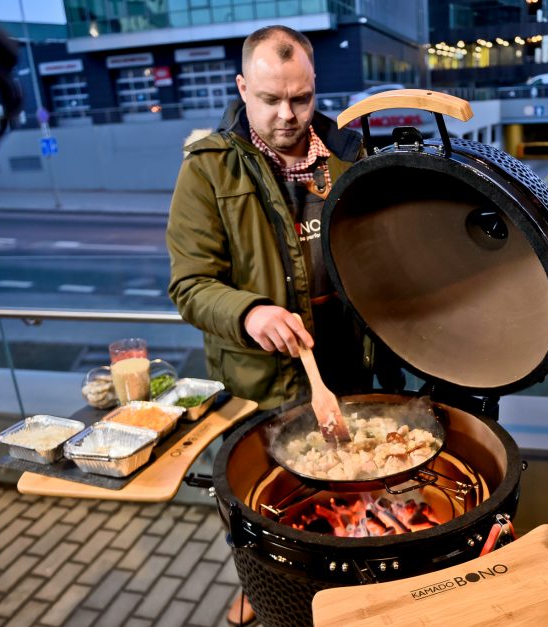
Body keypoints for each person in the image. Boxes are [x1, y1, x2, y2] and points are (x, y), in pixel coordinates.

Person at [166, 25, 395, 625]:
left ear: (315, 86)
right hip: (263, 382)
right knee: (267, 510)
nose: (287, 115)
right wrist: (248, 311)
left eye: (301, 98)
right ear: (243, 87)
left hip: (354, 362)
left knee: (359, 483)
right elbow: (190, 285)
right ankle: (267, 589)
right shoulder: (209, 170)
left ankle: (356, 591)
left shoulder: (352, 155)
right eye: (269, 100)